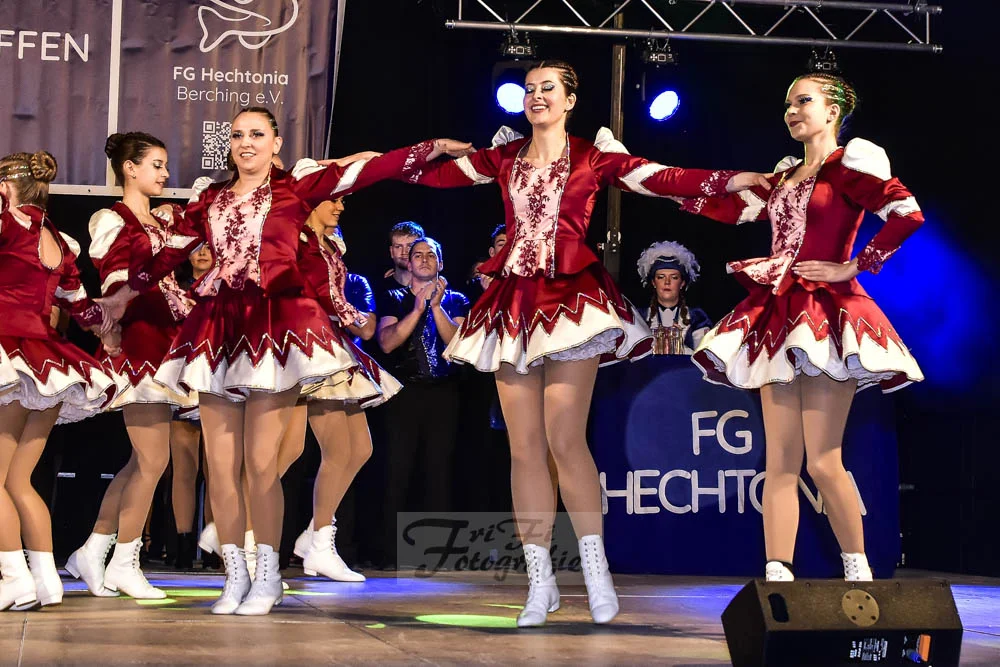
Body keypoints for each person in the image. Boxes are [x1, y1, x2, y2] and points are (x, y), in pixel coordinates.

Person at [401, 60, 766, 626]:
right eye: (529, 89)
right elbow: (432, 178)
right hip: (514, 304)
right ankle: (540, 581)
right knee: (524, 448)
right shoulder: (503, 157)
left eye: (548, 88)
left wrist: (730, 180)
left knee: (565, 439)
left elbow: (662, 177)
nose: (536, 96)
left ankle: (596, 572)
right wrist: (427, 151)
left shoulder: (593, 157)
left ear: (570, 99)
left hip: (572, 301)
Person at [99, 106, 465, 615]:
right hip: (218, 329)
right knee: (221, 468)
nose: (245, 143)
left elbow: (367, 170)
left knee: (261, 464)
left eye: (256, 134)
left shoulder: (296, 189)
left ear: (275, 142)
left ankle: (268, 577)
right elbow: (169, 254)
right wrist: (122, 297)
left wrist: (430, 149)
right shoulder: (210, 200)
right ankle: (235, 577)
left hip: (277, 327)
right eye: (237, 135)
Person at [679, 73, 924, 582]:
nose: (792, 111)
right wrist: (658, 183)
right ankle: (778, 576)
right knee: (780, 462)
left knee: (824, 460)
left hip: (827, 315)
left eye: (803, 101)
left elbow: (907, 214)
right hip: (777, 315)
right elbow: (727, 206)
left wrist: (853, 266)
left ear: (833, 111)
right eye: (788, 103)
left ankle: (858, 571)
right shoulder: (784, 177)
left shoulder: (849, 167)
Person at [67, 132, 198, 599]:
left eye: (165, 165)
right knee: (153, 459)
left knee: (142, 461)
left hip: (167, 340)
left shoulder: (164, 219)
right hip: (139, 341)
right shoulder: (111, 218)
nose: (165, 173)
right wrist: (112, 328)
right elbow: (114, 278)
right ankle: (124, 561)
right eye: (156, 165)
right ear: (130, 168)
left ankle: (93, 549)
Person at [0, 150, 118, 610]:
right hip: (48, 365)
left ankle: (14, 577)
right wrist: (109, 331)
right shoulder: (60, 241)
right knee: (17, 481)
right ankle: (46, 581)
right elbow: (82, 308)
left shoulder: (9, 224)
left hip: (12, 359)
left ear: (5, 188)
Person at [292, 196, 400, 582]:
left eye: (342, 200)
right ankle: (317, 541)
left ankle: (314, 534)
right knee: (332, 451)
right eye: (333, 200)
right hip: (311, 347)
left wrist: (352, 320)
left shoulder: (330, 244)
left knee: (361, 449)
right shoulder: (300, 243)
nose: (340, 207)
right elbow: (320, 294)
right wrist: (356, 320)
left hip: (334, 344)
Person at [376, 238, 469, 565]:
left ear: (441, 263)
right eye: (418, 255)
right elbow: (387, 342)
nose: (425, 259)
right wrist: (417, 309)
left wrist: (436, 307)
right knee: (397, 470)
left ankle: (437, 553)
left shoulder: (456, 299)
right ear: (409, 263)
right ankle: (390, 553)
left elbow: (458, 344)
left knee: (439, 470)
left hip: (444, 393)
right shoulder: (393, 297)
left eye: (432, 255)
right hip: (404, 393)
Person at [168, 245, 214, 570]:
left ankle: (215, 547)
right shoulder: (174, 288)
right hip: (182, 381)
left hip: (214, 380)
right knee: (184, 469)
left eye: (208, 246)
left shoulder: (224, 287)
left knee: (217, 471)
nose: (202, 252)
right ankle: (182, 547)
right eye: (195, 247)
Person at [635, 240, 712, 355]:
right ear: (654, 283)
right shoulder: (640, 317)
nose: (667, 282)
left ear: (682, 283)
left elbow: (705, 358)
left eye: (674, 277)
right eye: (661, 277)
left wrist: (678, 346)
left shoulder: (697, 317)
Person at [380, 221, 425, 292]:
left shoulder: (437, 289)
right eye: (398, 247)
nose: (404, 252)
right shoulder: (379, 290)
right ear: (391, 251)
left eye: (410, 246)